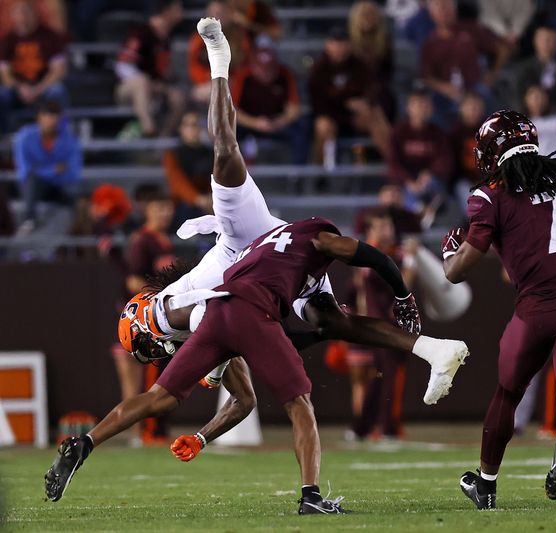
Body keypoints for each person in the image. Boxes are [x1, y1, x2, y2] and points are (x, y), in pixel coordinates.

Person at [45, 17, 470, 512]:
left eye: (146, 346)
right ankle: (424, 354)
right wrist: (204, 436)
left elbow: (235, 347)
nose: (152, 351)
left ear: (144, 321)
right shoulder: (187, 322)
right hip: (253, 276)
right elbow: (246, 390)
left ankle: (220, 63)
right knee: (330, 326)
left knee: (225, 152)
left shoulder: (180, 311)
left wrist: (397, 294)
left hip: (246, 254)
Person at [442, 110, 556, 508]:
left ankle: (486, 484)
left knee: (507, 394)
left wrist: (448, 251)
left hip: (534, 309)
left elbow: (457, 272)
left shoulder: (489, 195)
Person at [349, 211, 418, 440]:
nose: (386, 231)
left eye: (388, 226)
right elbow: (402, 285)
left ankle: (363, 427)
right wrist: (409, 263)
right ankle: (386, 427)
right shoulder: (371, 257)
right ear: (370, 231)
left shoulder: (389, 254)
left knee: (379, 378)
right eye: (381, 227)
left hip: (385, 327)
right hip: (382, 327)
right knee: (386, 376)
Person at [119, 189, 175, 445]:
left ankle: (154, 429)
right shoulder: (143, 241)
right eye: (159, 208)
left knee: (163, 374)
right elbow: (133, 281)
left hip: (160, 319)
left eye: (167, 208)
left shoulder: (164, 240)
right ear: (148, 210)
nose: (164, 213)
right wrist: (162, 297)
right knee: (151, 376)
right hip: (146, 321)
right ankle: (148, 430)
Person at [420, 0, 509, 127]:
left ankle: (494, 138)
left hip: (475, 86)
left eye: (446, 7)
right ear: (431, 14)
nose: (443, 12)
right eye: (439, 9)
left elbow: (503, 49)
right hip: (448, 91)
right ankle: (443, 141)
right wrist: (444, 88)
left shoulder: (471, 29)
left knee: (484, 93)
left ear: (454, 10)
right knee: (431, 103)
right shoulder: (429, 43)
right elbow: (427, 77)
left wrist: (493, 73)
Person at [308, 27, 389, 165]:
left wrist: (364, 103)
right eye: (335, 43)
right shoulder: (319, 69)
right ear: (328, 45)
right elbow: (318, 102)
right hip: (329, 116)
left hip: (353, 117)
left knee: (374, 116)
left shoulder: (359, 65)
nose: (339, 47)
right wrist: (345, 102)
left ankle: (393, 163)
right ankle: (324, 174)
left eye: (342, 43)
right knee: (323, 126)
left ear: (349, 45)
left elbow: (371, 90)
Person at [114, 0, 185, 137]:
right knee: (142, 81)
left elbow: (162, 71)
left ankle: (164, 139)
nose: (181, 13)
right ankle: (149, 129)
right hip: (127, 88)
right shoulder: (141, 33)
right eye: (177, 8)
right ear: (167, 12)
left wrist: (165, 82)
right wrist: (149, 83)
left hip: (154, 88)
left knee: (178, 97)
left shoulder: (166, 37)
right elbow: (122, 65)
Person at [231, 36, 305, 164]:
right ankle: (232, 174)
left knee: (302, 127)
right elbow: (232, 109)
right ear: (253, 65)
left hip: (277, 124)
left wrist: (277, 123)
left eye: (269, 69)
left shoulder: (286, 74)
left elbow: (294, 109)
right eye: (261, 68)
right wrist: (255, 123)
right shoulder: (243, 75)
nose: (265, 73)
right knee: (226, 128)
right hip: (249, 125)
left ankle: (296, 175)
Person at [14, 99, 81, 236]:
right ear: (39, 117)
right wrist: (53, 170)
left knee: (75, 193)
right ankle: (29, 220)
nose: (53, 119)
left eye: (56, 115)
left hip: (60, 184)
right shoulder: (24, 137)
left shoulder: (70, 139)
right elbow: (24, 172)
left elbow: (73, 173)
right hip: (36, 185)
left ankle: (76, 230)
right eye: (48, 114)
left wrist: (41, 170)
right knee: (30, 181)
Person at [0, 1, 68, 133]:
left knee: (58, 91)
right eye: (20, 14)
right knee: (2, 94)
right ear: (13, 17)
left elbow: (59, 70)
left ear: (35, 15)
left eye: (27, 14)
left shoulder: (50, 37)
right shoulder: (6, 40)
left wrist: (38, 88)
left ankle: (60, 134)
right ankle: (3, 138)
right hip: (18, 89)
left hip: (43, 87)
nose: (23, 18)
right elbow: (5, 75)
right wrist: (20, 88)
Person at [387, 88, 452, 217]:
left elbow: (445, 160)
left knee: (435, 185)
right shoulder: (398, 131)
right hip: (406, 181)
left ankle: (426, 209)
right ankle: (422, 211)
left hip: (429, 180)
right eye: (417, 104)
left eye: (425, 105)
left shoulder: (438, 133)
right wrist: (408, 181)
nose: (421, 109)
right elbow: (393, 162)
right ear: (408, 108)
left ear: (431, 109)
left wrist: (429, 173)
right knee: (403, 192)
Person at [187, 0, 250, 105]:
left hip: (233, 83)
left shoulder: (240, 39)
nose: (214, 18)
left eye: (219, 14)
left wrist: (232, 81)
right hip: (206, 85)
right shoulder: (198, 40)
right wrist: (210, 82)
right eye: (210, 14)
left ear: (229, 15)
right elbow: (194, 67)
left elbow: (245, 67)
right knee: (210, 92)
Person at [162, 111, 214, 223]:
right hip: (184, 203)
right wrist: (198, 199)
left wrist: (211, 198)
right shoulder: (172, 154)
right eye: (189, 125)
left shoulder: (211, 153)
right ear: (181, 128)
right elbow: (177, 183)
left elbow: (216, 178)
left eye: (196, 125)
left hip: (209, 200)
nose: (194, 129)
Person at [514, 25, 556, 115]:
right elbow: (515, 97)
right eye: (546, 40)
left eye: (554, 41)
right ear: (535, 41)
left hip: (555, 120)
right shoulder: (522, 69)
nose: (549, 45)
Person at [449, 91, 486, 214]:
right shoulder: (455, 133)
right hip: (464, 181)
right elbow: (452, 165)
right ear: (461, 108)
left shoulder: (490, 131)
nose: (473, 110)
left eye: (476, 106)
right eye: (469, 106)